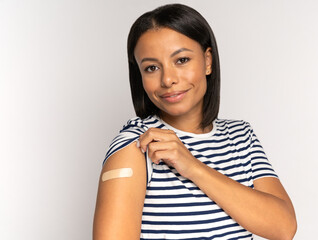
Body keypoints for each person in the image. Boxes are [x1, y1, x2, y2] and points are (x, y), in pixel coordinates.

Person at [93, 3, 297, 240]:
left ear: (207, 60)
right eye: (151, 67)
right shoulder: (137, 144)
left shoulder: (241, 136)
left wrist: (192, 166)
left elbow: (284, 228)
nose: (168, 79)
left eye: (181, 60)